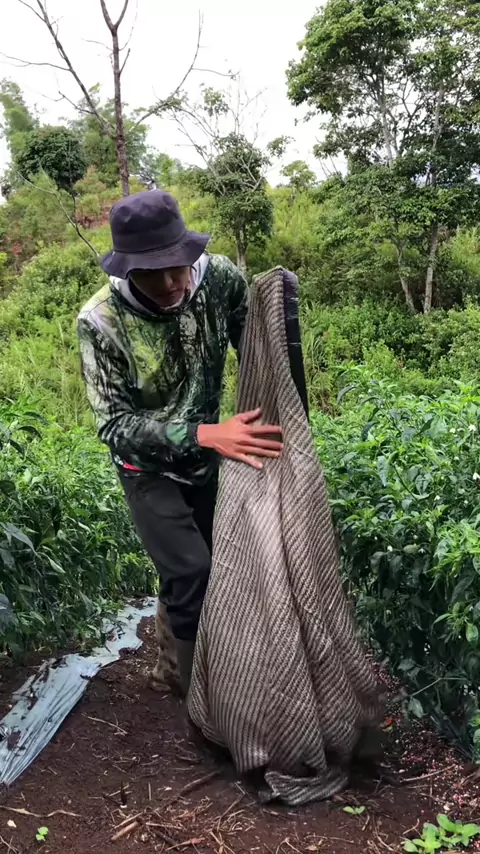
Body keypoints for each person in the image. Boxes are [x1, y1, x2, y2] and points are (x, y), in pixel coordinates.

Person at [77, 189, 283, 695]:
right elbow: (115, 425)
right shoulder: (101, 321)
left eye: (178, 266)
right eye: (154, 273)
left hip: (209, 457)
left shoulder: (220, 279)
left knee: (217, 565)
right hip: (146, 468)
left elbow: (254, 349)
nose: (172, 282)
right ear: (128, 270)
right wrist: (205, 433)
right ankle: (199, 700)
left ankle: (179, 666)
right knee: (192, 569)